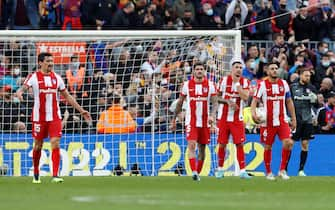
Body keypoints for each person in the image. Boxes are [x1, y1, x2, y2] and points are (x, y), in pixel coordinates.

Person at [16, 52, 91, 184]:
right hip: (39, 117)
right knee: (38, 146)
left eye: (52, 61)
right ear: (40, 63)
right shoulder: (33, 77)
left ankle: (55, 175)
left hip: (55, 117)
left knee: (55, 142)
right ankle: (36, 172)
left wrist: (81, 110)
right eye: (48, 61)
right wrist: (20, 92)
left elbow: (67, 96)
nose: (51, 63)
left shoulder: (57, 78)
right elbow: (23, 88)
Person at [171, 62, 218, 181]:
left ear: (204, 71)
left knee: (202, 149)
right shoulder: (187, 85)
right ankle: (194, 172)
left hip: (205, 121)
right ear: (193, 71)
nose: (199, 71)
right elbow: (180, 103)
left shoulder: (210, 85)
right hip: (191, 121)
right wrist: (174, 119)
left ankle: (198, 172)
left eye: (201, 69)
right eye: (197, 69)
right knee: (191, 145)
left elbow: (215, 102)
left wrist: (212, 115)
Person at [251, 62, 296, 180]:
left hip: (282, 120)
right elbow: (254, 100)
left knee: (289, 143)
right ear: (267, 71)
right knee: (267, 147)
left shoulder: (284, 84)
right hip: (267, 121)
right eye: (272, 69)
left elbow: (289, 101)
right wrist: (253, 114)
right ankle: (269, 172)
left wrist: (294, 118)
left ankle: (282, 170)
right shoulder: (262, 85)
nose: (275, 70)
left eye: (276, 68)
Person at [216, 57, 251, 179]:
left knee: (239, 144)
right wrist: (227, 102)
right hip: (223, 118)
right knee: (222, 144)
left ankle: (242, 171)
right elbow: (215, 98)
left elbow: (246, 97)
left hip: (237, 119)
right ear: (231, 69)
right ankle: (220, 170)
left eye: (241, 68)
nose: (239, 70)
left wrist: (237, 85)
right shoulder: (223, 81)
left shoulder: (245, 82)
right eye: (236, 67)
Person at [288, 69, 317, 176]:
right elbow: (287, 102)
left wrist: (316, 100)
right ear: (300, 76)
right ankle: (284, 169)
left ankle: (301, 170)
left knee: (305, 144)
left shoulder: (312, 88)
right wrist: (289, 117)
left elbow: (316, 104)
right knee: (290, 144)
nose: (307, 78)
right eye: (306, 76)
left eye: (309, 76)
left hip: (307, 120)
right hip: (296, 119)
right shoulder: (293, 87)